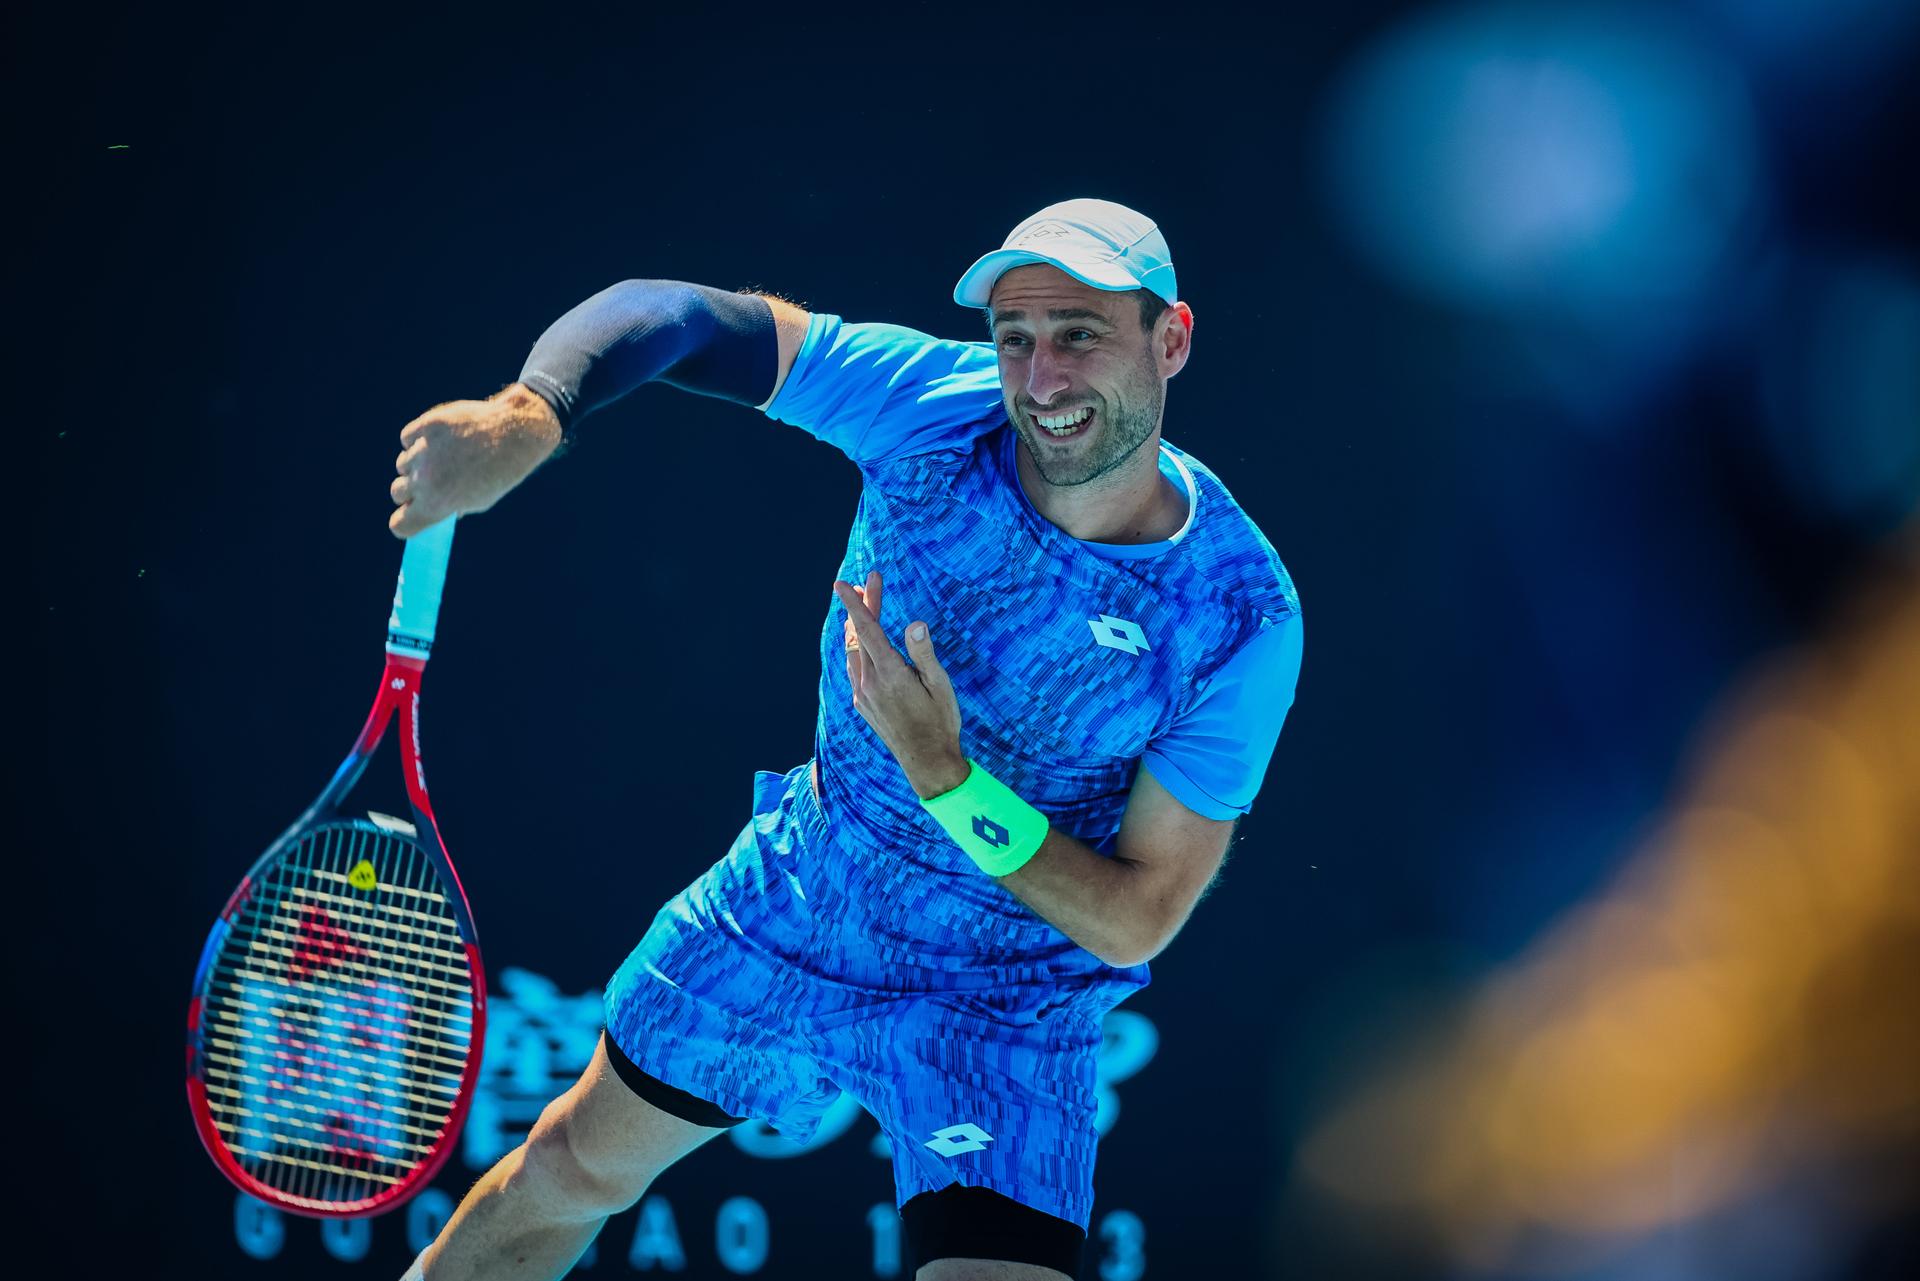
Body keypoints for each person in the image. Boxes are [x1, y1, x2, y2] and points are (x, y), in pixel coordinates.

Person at [392, 198, 1303, 1281]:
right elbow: (680, 314)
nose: (1042, 380)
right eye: (1016, 340)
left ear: (1171, 339)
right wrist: (529, 417)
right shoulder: (928, 404)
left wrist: (945, 775)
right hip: (799, 900)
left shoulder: (1240, 614)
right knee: (563, 1175)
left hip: (1004, 1005)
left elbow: (1134, 917)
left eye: (1079, 335)